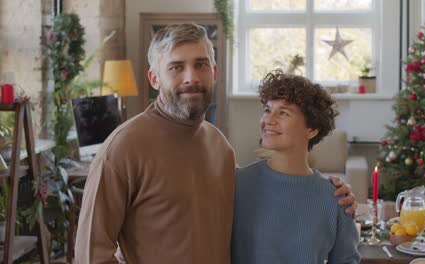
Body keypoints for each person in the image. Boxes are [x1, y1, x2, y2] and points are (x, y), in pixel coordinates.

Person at [75, 23, 356, 263]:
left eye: (200, 65)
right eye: (176, 67)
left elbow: (263, 204)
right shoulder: (123, 149)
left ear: (214, 72)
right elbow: (91, 254)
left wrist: (330, 193)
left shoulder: (218, 145)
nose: (191, 78)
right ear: (154, 78)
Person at [231, 69, 360, 264]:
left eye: (283, 112)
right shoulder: (236, 184)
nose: (268, 120)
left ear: (312, 129)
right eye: (267, 110)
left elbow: (346, 260)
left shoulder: (335, 199)